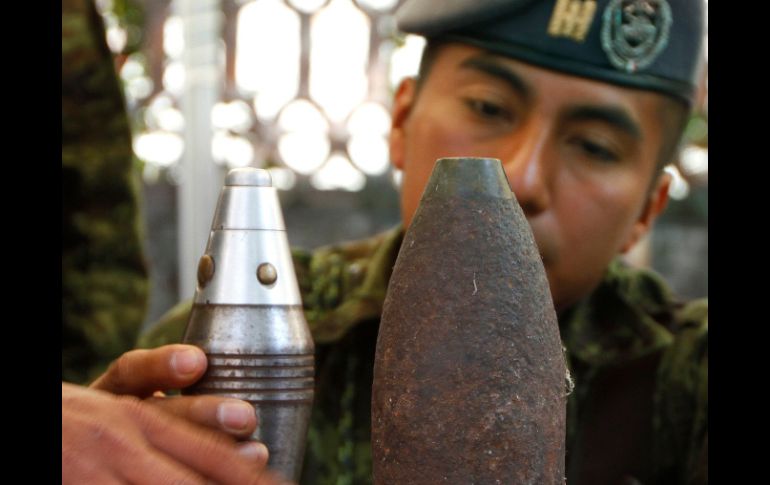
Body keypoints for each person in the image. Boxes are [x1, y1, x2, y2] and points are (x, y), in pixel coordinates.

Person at [90, 0, 710, 483]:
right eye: (488, 108)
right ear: (401, 119)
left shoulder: (688, 379)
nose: (521, 177)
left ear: (648, 208)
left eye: (595, 147)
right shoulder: (256, 335)